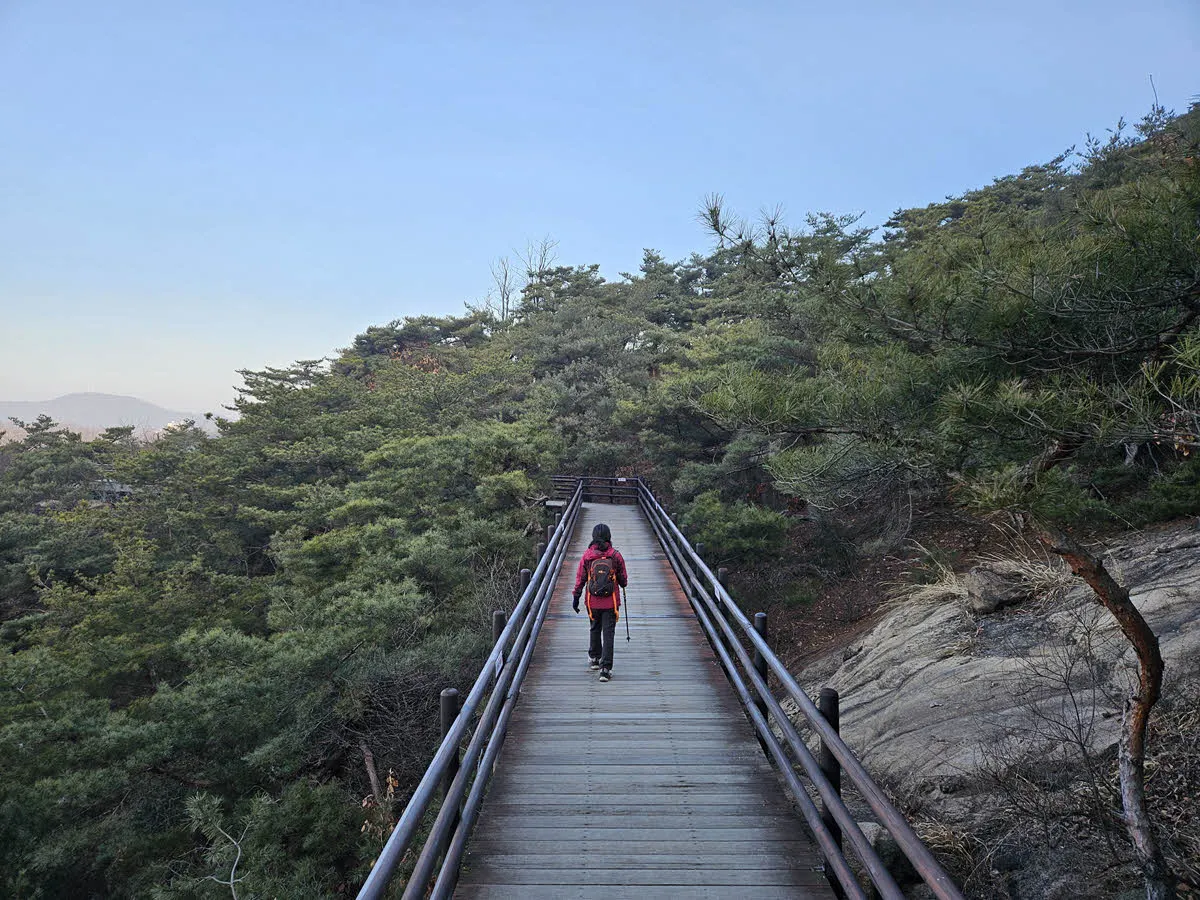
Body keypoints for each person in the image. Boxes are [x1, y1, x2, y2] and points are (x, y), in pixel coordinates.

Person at [571, 522, 628, 683]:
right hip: (610, 602)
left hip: (592, 601)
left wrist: (576, 597)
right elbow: (623, 580)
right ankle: (605, 669)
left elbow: (580, 579)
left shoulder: (588, 556)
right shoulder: (615, 555)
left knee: (594, 627)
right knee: (608, 633)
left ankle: (595, 658)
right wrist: (621, 583)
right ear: (609, 536)